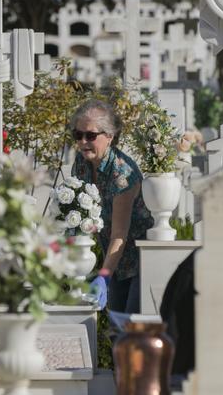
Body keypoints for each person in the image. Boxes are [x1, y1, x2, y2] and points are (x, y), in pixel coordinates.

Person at [70, 99, 153, 314]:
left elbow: (119, 234)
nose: (83, 141)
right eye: (78, 135)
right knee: (116, 333)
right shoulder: (81, 163)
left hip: (140, 262)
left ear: (109, 136)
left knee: (131, 329)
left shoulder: (123, 174)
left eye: (90, 135)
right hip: (113, 261)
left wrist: (104, 276)